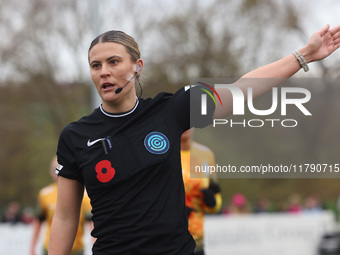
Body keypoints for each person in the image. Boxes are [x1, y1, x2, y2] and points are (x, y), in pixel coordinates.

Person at [49, 25, 340, 255]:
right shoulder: (75, 137)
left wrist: (304, 55)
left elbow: (241, 90)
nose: (104, 73)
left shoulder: (171, 111)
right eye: (95, 65)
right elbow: (64, 218)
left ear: (137, 66)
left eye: (113, 62)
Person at [30, 156, 92, 255]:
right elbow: (38, 221)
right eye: (55, 169)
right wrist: (32, 247)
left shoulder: (84, 195)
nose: (58, 173)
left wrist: (95, 243)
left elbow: (91, 222)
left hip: (76, 249)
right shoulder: (45, 194)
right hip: (51, 248)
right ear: (51, 172)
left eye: (60, 168)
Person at [181, 128, 222, 255]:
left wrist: (212, 203)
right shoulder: (162, 151)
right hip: (169, 240)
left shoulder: (206, 154)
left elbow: (216, 195)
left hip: (197, 241)